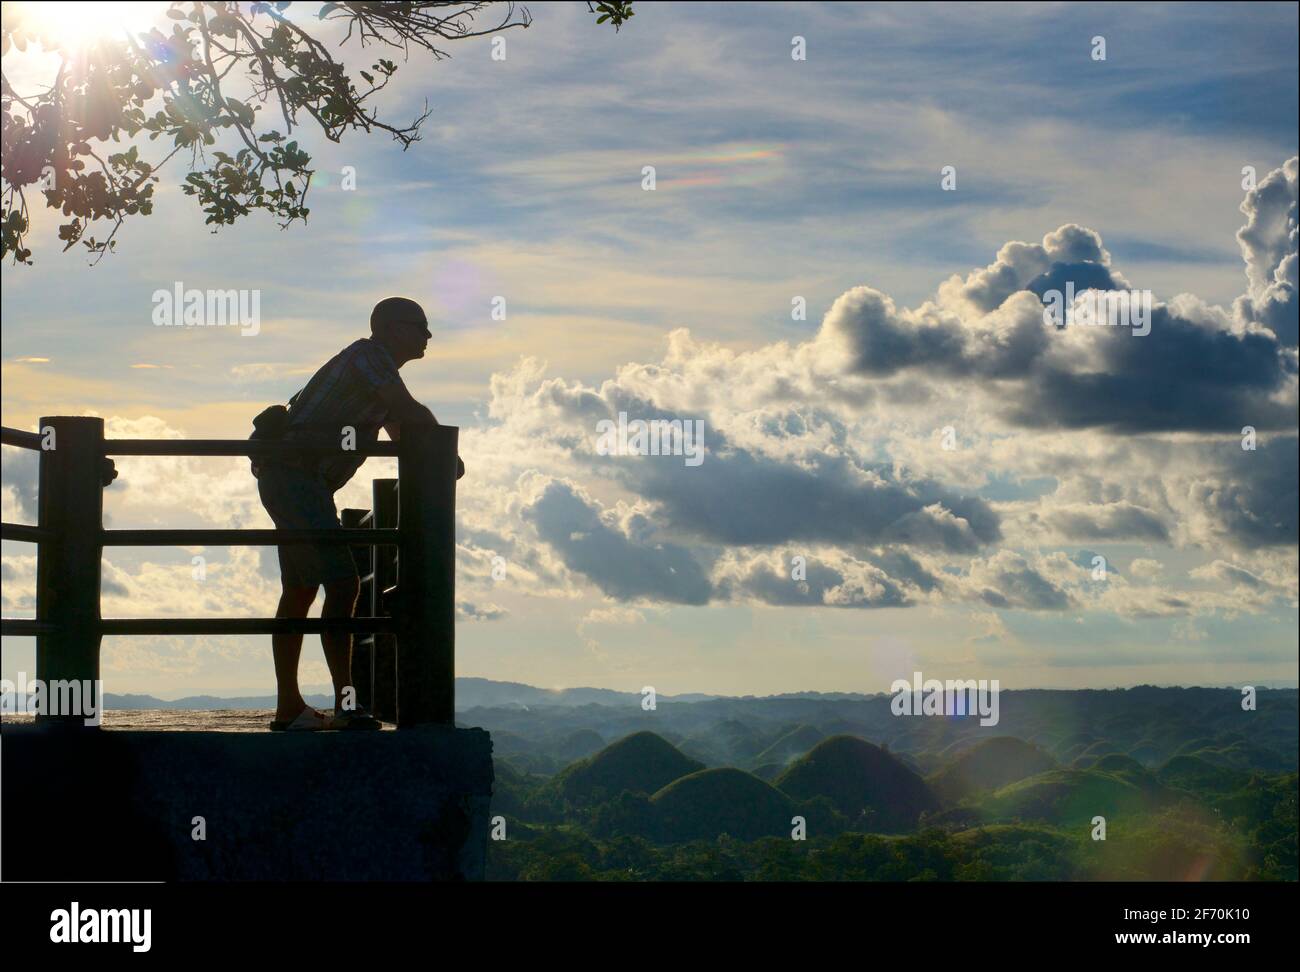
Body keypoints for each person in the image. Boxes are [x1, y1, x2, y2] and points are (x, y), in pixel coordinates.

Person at [256, 296, 463, 731]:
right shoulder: (370, 357)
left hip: (297, 481)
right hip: (297, 480)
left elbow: (402, 428)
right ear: (390, 328)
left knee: (300, 590)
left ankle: (289, 708)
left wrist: (436, 451)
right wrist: (446, 453)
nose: (428, 335)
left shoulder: (377, 373)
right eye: (419, 325)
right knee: (344, 583)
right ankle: (346, 706)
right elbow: (409, 414)